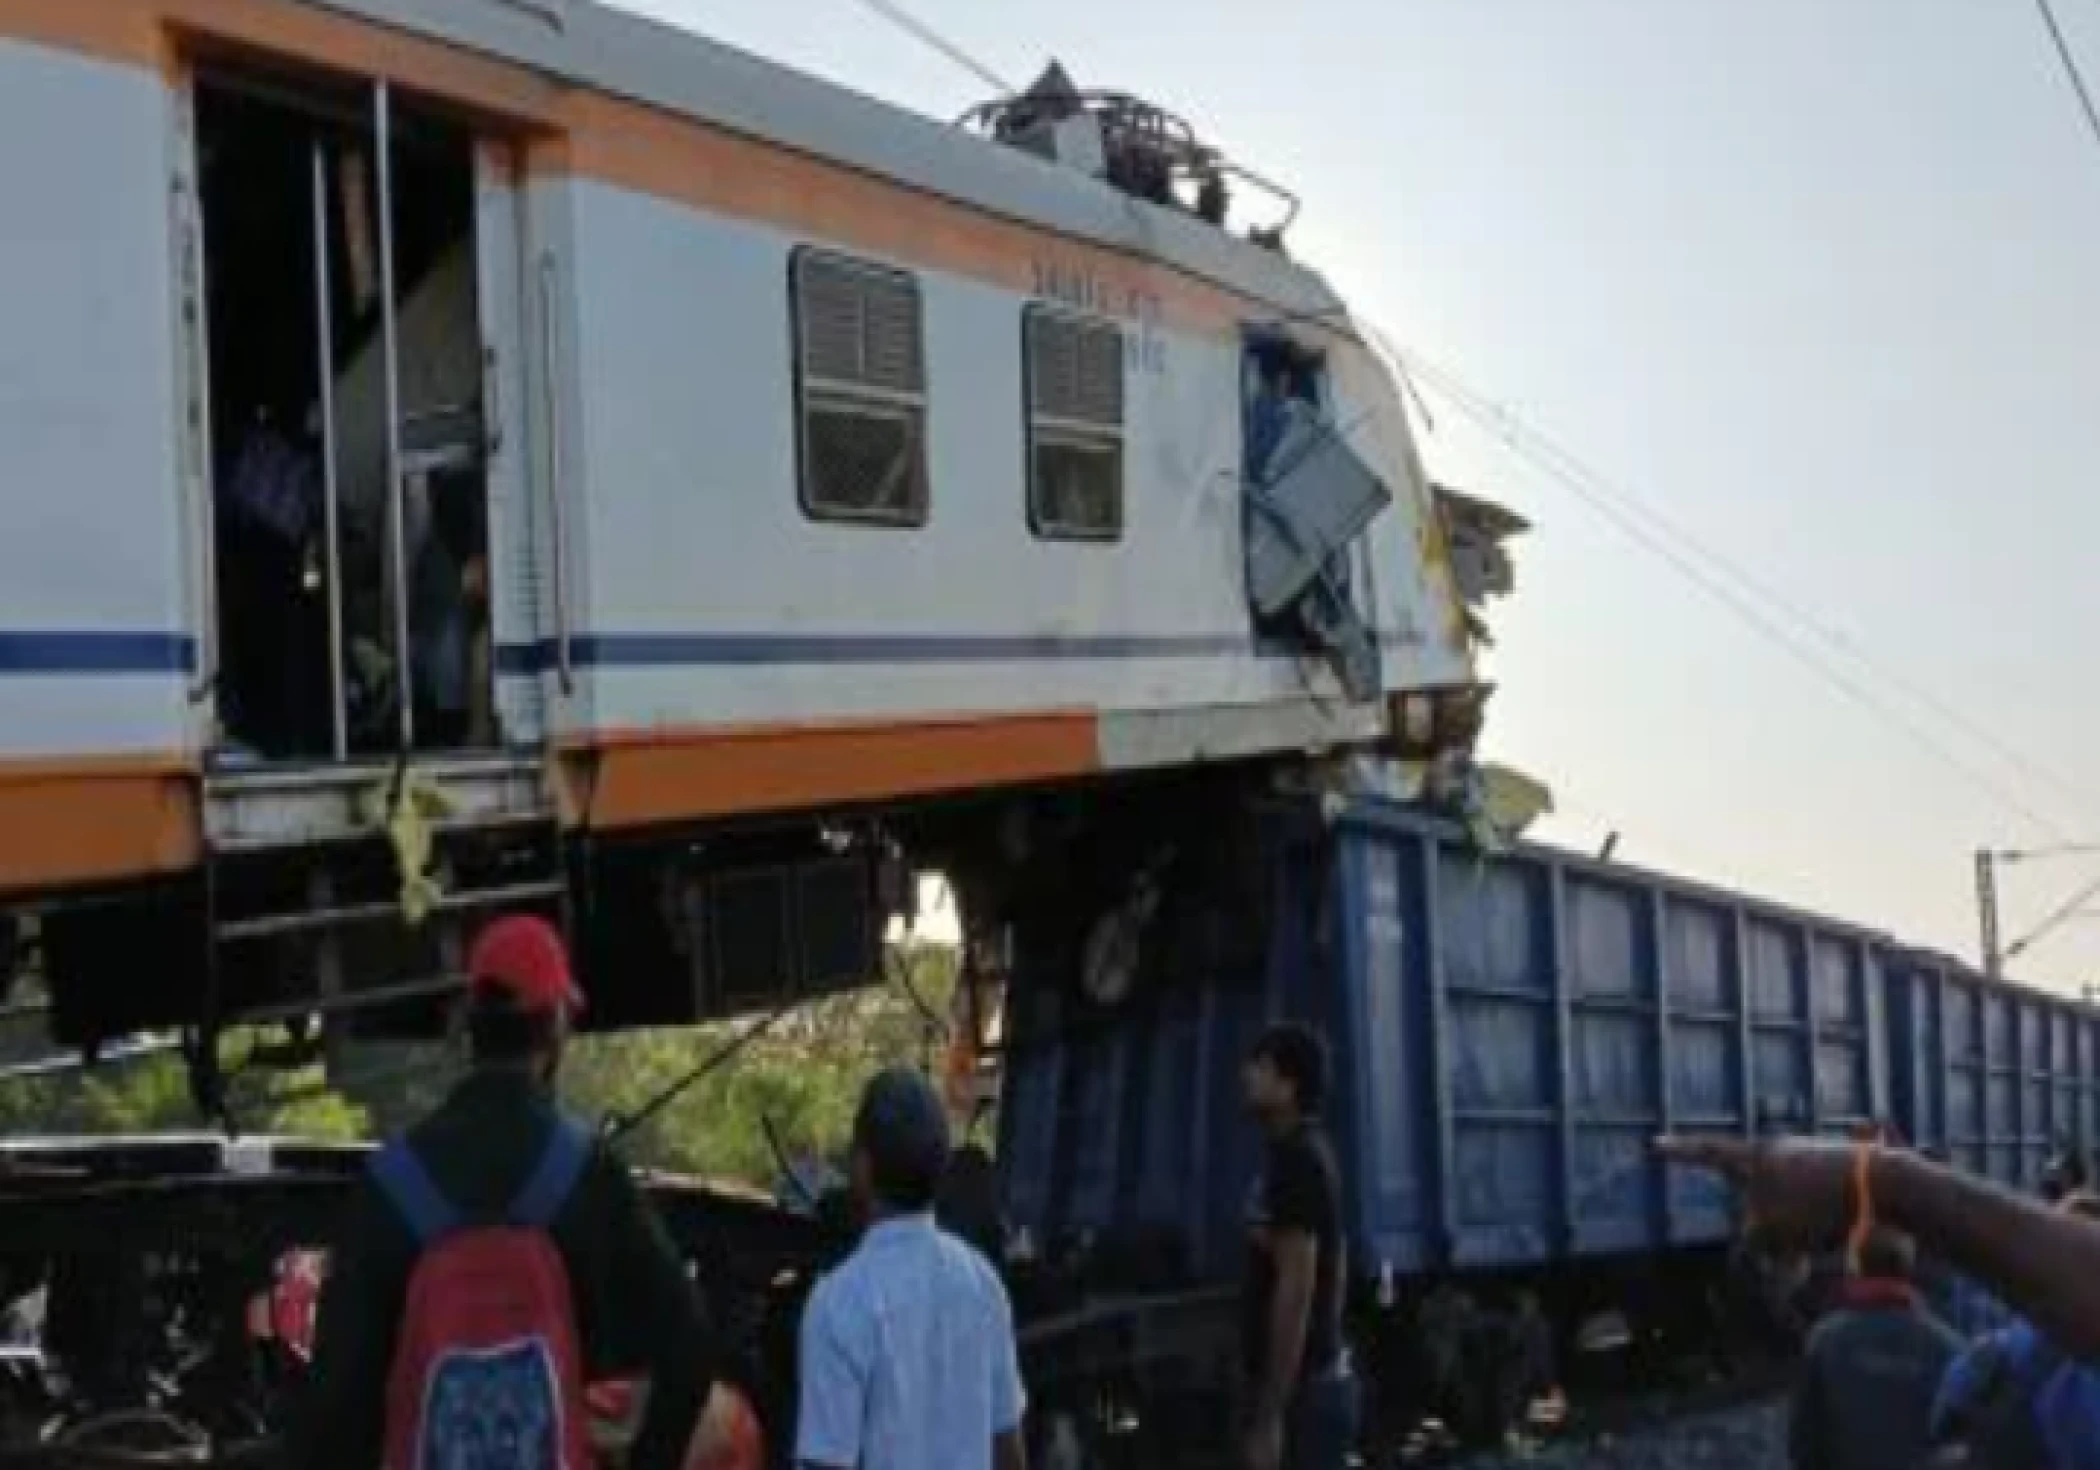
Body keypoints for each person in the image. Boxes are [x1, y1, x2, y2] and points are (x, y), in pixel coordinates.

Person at [290, 914, 717, 1470]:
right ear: (557, 1025)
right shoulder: (588, 1173)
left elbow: (334, 1406)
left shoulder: (392, 1182)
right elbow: (689, 1344)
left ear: (471, 1022)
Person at [795, 1067, 1027, 1470]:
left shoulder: (838, 1303)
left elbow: (826, 1463)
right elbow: (1008, 1452)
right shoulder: (984, 1285)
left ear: (863, 1167)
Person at [1239, 1023, 1359, 1470]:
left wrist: (1271, 1416)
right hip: (1314, 1384)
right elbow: (1336, 1261)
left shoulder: (1297, 1161)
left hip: (1303, 1401)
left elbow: (1295, 1292)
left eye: (1261, 1067)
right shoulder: (1300, 1153)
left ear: (1289, 1086)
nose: (1246, 1075)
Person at [1787, 1226, 1962, 1470]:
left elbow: (1802, 1442)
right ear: (1907, 1269)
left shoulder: (1826, 1340)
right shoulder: (1947, 1345)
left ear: (1855, 1269)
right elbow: (1962, 1440)